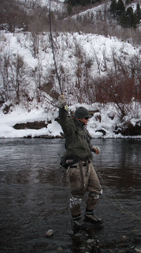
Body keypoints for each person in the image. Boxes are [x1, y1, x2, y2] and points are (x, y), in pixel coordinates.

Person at [58, 95, 103, 232]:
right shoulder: (70, 128)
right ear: (79, 118)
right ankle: (76, 220)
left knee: (97, 191)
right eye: (86, 118)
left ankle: (89, 214)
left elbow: (86, 142)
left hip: (88, 164)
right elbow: (63, 119)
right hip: (75, 166)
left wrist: (93, 148)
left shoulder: (83, 128)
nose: (88, 120)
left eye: (88, 118)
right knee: (77, 194)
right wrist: (62, 105)